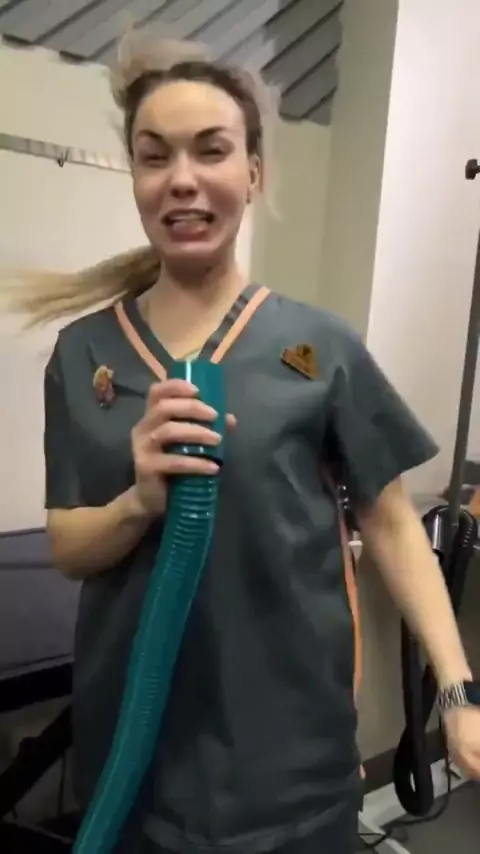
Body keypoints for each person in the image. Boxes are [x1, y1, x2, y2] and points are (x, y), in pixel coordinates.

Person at [11, 33, 480, 854]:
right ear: (135, 178)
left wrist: (458, 692)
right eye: (155, 156)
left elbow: (394, 524)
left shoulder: (320, 348)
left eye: (211, 150)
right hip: (136, 754)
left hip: (291, 761)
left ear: (254, 173)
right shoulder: (85, 355)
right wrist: (139, 502)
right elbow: (70, 547)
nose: (182, 178)